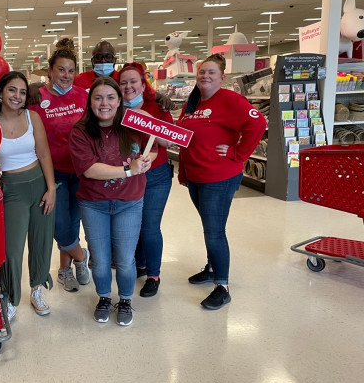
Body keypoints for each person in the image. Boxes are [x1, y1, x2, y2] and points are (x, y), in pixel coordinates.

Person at [177, 53, 266, 310]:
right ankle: (212, 267)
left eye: (211, 72)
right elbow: (185, 138)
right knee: (209, 226)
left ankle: (222, 286)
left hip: (218, 177)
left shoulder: (229, 99)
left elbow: (257, 123)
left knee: (214, 231)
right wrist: (183, 172)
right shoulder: (193, 102)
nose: (205, 76)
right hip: (195, 175)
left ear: (222, 77)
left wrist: (237, 153)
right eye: (202, 72)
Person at [69, 76, 156, 326]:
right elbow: (90, 170)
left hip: (129, 202)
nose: (104, 103)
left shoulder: (134, 123)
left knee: (126, 259)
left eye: (110, 97)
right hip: (93, 203)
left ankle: (126, 300)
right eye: (98, 97)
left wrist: (147, 158)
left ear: (119, 101)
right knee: (100, 259)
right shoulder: (81, 131)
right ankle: (104, 297)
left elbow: (156, 146)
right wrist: (129, 170)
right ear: (90, 101)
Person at [0, 71, 56, 320]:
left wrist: (51, 188)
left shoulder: (32, 117)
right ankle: (12, 296)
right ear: (1, 92)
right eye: (12, 90)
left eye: (23, 92)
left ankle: (37, 289)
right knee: (11, 248)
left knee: (41, 240)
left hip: (39, 183)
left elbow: (44, 154)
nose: (17, 96)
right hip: (11, 188)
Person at [28, 38, 91, 293]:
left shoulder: (84, 96)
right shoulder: (36, 97)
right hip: (52, 173)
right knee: (59, 224)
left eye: (71, 70)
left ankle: (65, 271)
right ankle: (81, 256)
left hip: (81, 171)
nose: (66, 75)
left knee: (72, 222)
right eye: (61, 70)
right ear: (51, 71)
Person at [118, 62, 174, 298]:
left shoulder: (158, 108)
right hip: (127, 175)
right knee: (132, 224)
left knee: (150, 226)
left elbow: (168, 142)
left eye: (133, 81)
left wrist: (146, 118)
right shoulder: (114, 107)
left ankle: (153, 274)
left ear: (143, 84)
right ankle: (140, 264)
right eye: (123, 82)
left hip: (156, 176)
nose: (128, 86)